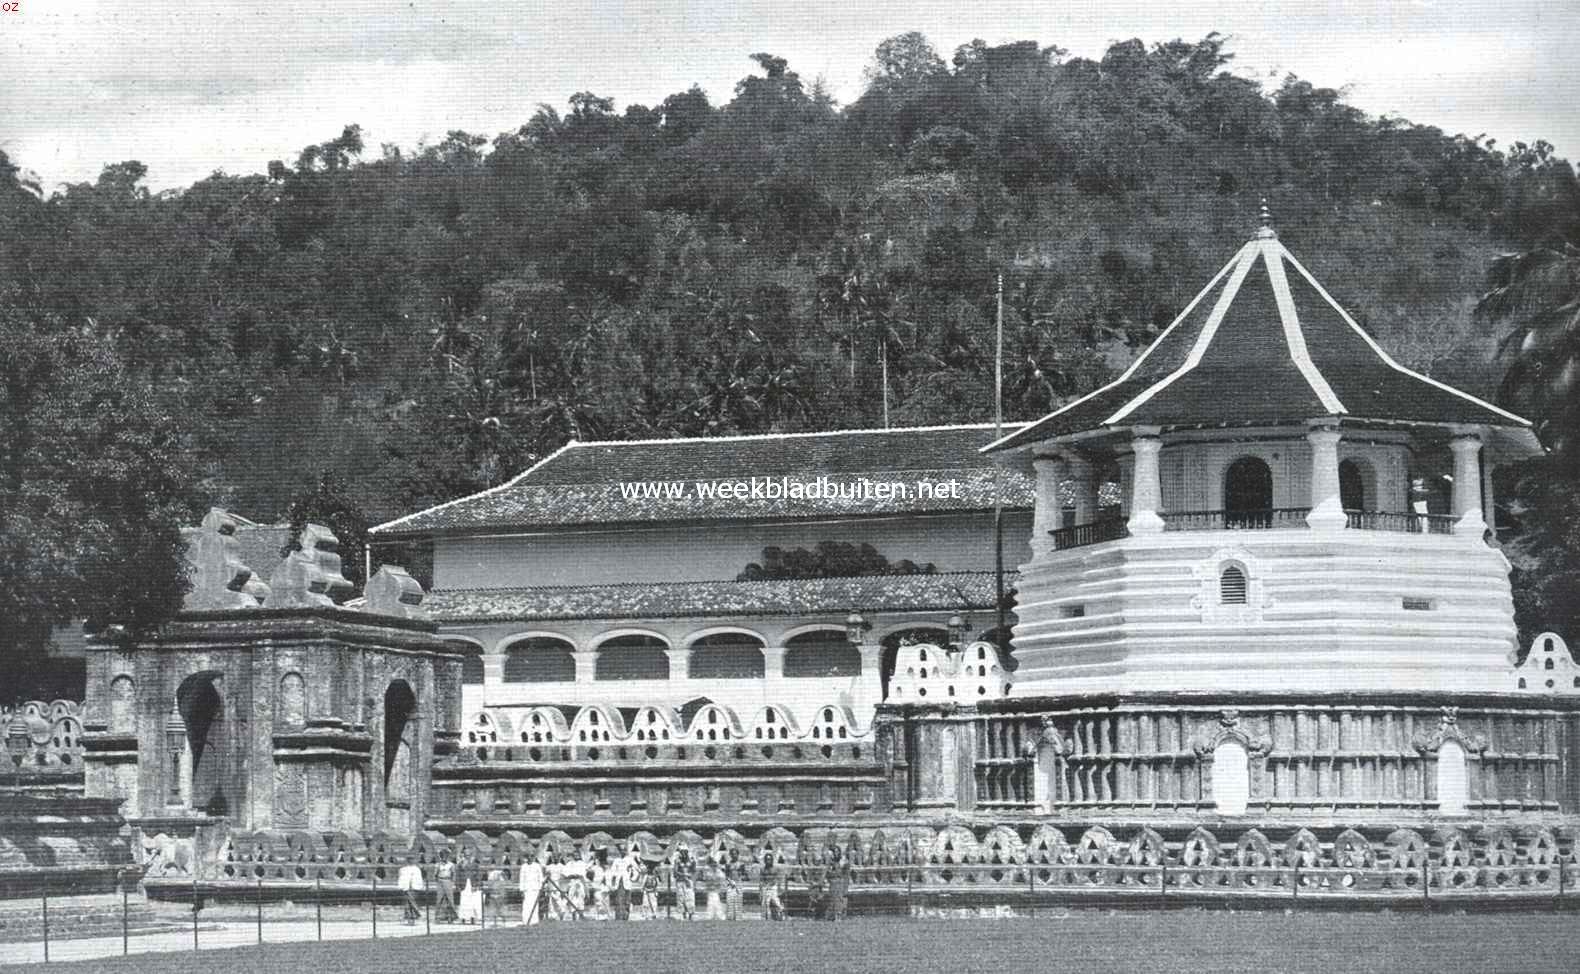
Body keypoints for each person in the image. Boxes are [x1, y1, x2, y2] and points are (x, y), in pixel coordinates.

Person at [519, 850, 546, 926]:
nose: (530, 858)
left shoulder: (537, 866)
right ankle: (526, 921)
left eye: (531, 856)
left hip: (535, 888)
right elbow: (522, 879)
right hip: (527, 889)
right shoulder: (524, 866)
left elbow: (540, 878)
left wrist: (541, 888)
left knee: (534, 905)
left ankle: (534, 921)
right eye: (528, 856)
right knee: (526, 905)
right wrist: (522, 890)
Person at [457, 851, 483, 925]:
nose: (467, 857)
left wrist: (476, 885)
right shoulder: (460, 864)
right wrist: (458, 885)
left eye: (469, 855)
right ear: (464, 856)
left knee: (472, 902)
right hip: (463, 884)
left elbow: (478, 875)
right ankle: (463, 918)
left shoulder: (475, 864)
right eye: (466, 855)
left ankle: (472, 918)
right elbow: (458, 875)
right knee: (464, 901)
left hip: (472, 884)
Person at [397, 857, 425, 925]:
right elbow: (401, 878)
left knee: (411, 901)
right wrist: (401, 886)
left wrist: (419, 886)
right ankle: (411, 918)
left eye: (411, 860)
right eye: (409, 861)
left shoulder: (416, 869)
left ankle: (416, 913)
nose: (410, 862)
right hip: (406, 888)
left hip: (413, 887)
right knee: (407, 904)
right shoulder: (403, 869)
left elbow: (419, 878)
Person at [671, 847, 696, 921]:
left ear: (687, 852)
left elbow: (694, 871)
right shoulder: (677, 861)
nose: (683, 853)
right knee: (681, 898)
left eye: (685, 852)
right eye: (682, 852)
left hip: (689, 881)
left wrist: (689, 877)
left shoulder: (692, 860)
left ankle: (691, 914)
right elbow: (675, 872)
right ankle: (683, 914)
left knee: (690, 897)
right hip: (680, 881)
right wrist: (683, 875)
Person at [759, 851, 785, 921]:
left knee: (775, 901)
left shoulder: (775, 869)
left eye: (770, 859)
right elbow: (761, 880)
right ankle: (766, 918)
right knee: (765, 903)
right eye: (767, 859)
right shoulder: (763, 869)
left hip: (773, 887)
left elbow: (777, 878)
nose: (768, 861)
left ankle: (781, 913)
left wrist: (777, 887)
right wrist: (761, 890)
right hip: (765, 887)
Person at [435, 850, 457, 923]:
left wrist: (453, 884)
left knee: (450, 900)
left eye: (446, 856)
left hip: (448, 881)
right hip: (440, 881)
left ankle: (451, 917)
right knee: (439, 900)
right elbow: (435, 875)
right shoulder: (438, 865)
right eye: (442, 856)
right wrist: (438, 881)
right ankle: (438, 917)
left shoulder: (451, 865)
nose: (444, 858)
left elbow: (454, 874)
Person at [703, 853, 727, 920]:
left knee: (716, 901)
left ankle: (718, 915)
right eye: (712, 863)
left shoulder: (719, 872)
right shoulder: (708, 871)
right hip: (711, 889)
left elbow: (722, 880)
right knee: (711, 902)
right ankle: (711, 915)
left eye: (715, 863)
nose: (714, 865)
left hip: (717, 889)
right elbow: (706, 880)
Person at [588, 849, 610, 920]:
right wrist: (592, 860)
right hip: (597, 888)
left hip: (605, 888)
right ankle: (599, 916)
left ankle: (606, 916)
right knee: (599, 903)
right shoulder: (595, 868)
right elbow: (587, 869)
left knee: (605, 903)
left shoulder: (607, 868)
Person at [723, 850, 744, 921]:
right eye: (732, 854)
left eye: (735, 854)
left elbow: (744, 875)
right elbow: (726, 875)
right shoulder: (728, 864)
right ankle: (730, 917)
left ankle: (738, 917)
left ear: (738, 854)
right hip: (730, 884)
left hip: (738, 883)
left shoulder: (741, 864)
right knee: (730, 900)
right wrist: (730, 881)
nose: (734, 855)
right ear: (730, 855)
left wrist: (739, 881)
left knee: (738, 900)